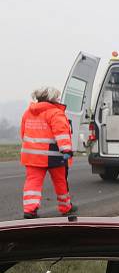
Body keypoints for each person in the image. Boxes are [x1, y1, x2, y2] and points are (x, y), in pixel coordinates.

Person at [19, 86, 76, 219]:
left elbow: (23, 134)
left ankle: (29, 210)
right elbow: (61, 133)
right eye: (57, 97)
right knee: (60, 182)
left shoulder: (28, 112)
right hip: (54, 156)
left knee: (32, 183)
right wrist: (66, 150)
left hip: (32, 157)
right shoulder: (55, 113)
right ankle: (65, 207)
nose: (58, 99)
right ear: (51, 99)